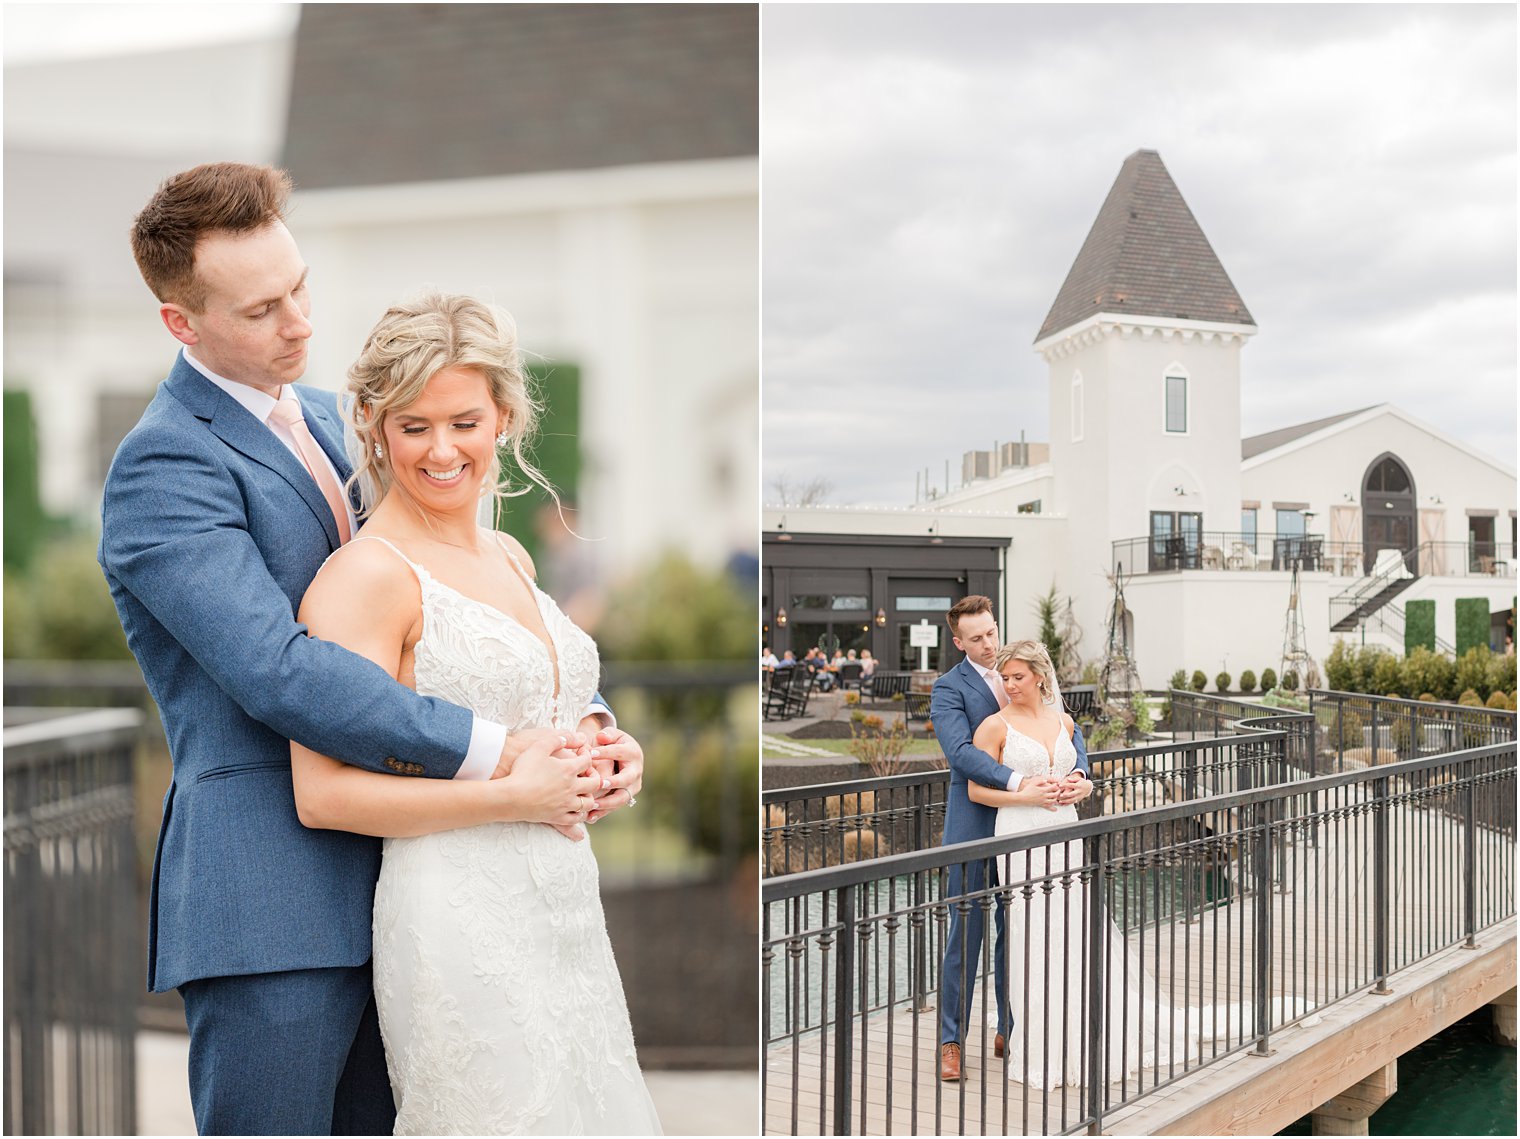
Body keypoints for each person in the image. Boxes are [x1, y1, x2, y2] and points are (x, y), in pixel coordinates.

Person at [98, 163, 642, 1135]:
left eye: (299, 285)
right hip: (271, 904)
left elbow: (449, 602)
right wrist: (497, 750)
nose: (301, 322)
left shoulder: (324, 418)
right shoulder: (163, 463)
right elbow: (281, 669)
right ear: (183, 324)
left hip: (416, 895)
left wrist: (583, 729)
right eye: (262, 308)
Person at [289, 293, 661, 1134]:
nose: (441, 448)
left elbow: (541, 704)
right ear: (375, 425)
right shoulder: (366, 577)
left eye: (463, 420)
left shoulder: (512, 552)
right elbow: (324, 794)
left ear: (503, 417)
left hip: (564, 905)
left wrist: (606, 744)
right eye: (413, 425)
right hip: (457, 919)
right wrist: (509, 797)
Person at [968, 641, 1198, 1089]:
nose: (1010, 685)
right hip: (1019, 835)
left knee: (1076, 930)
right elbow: (977, 793)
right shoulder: (993, 727)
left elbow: (1080, 771)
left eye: (1017, 676)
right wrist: (1025, 795)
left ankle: (1092, 1031)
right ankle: (1046, 1043)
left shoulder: (1065, 721)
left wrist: (1082, 786)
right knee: (1033, 936)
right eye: (1005, 677)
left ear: (1040, 677)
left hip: (1066, 833)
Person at [930, 597, 1090, 1082]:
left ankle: (1010, 1027)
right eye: (976, 638)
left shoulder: (1017, 670)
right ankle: (951, 1040)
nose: (988, 644)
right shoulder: (947, 689)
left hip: (1031, 833)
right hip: (976, 825)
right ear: (958, 642)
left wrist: (1081, 772)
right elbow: (960, 753)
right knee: (966, 934)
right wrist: (1020, 784)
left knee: (1018, 932)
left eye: (992, 632)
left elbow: (1066, 729)